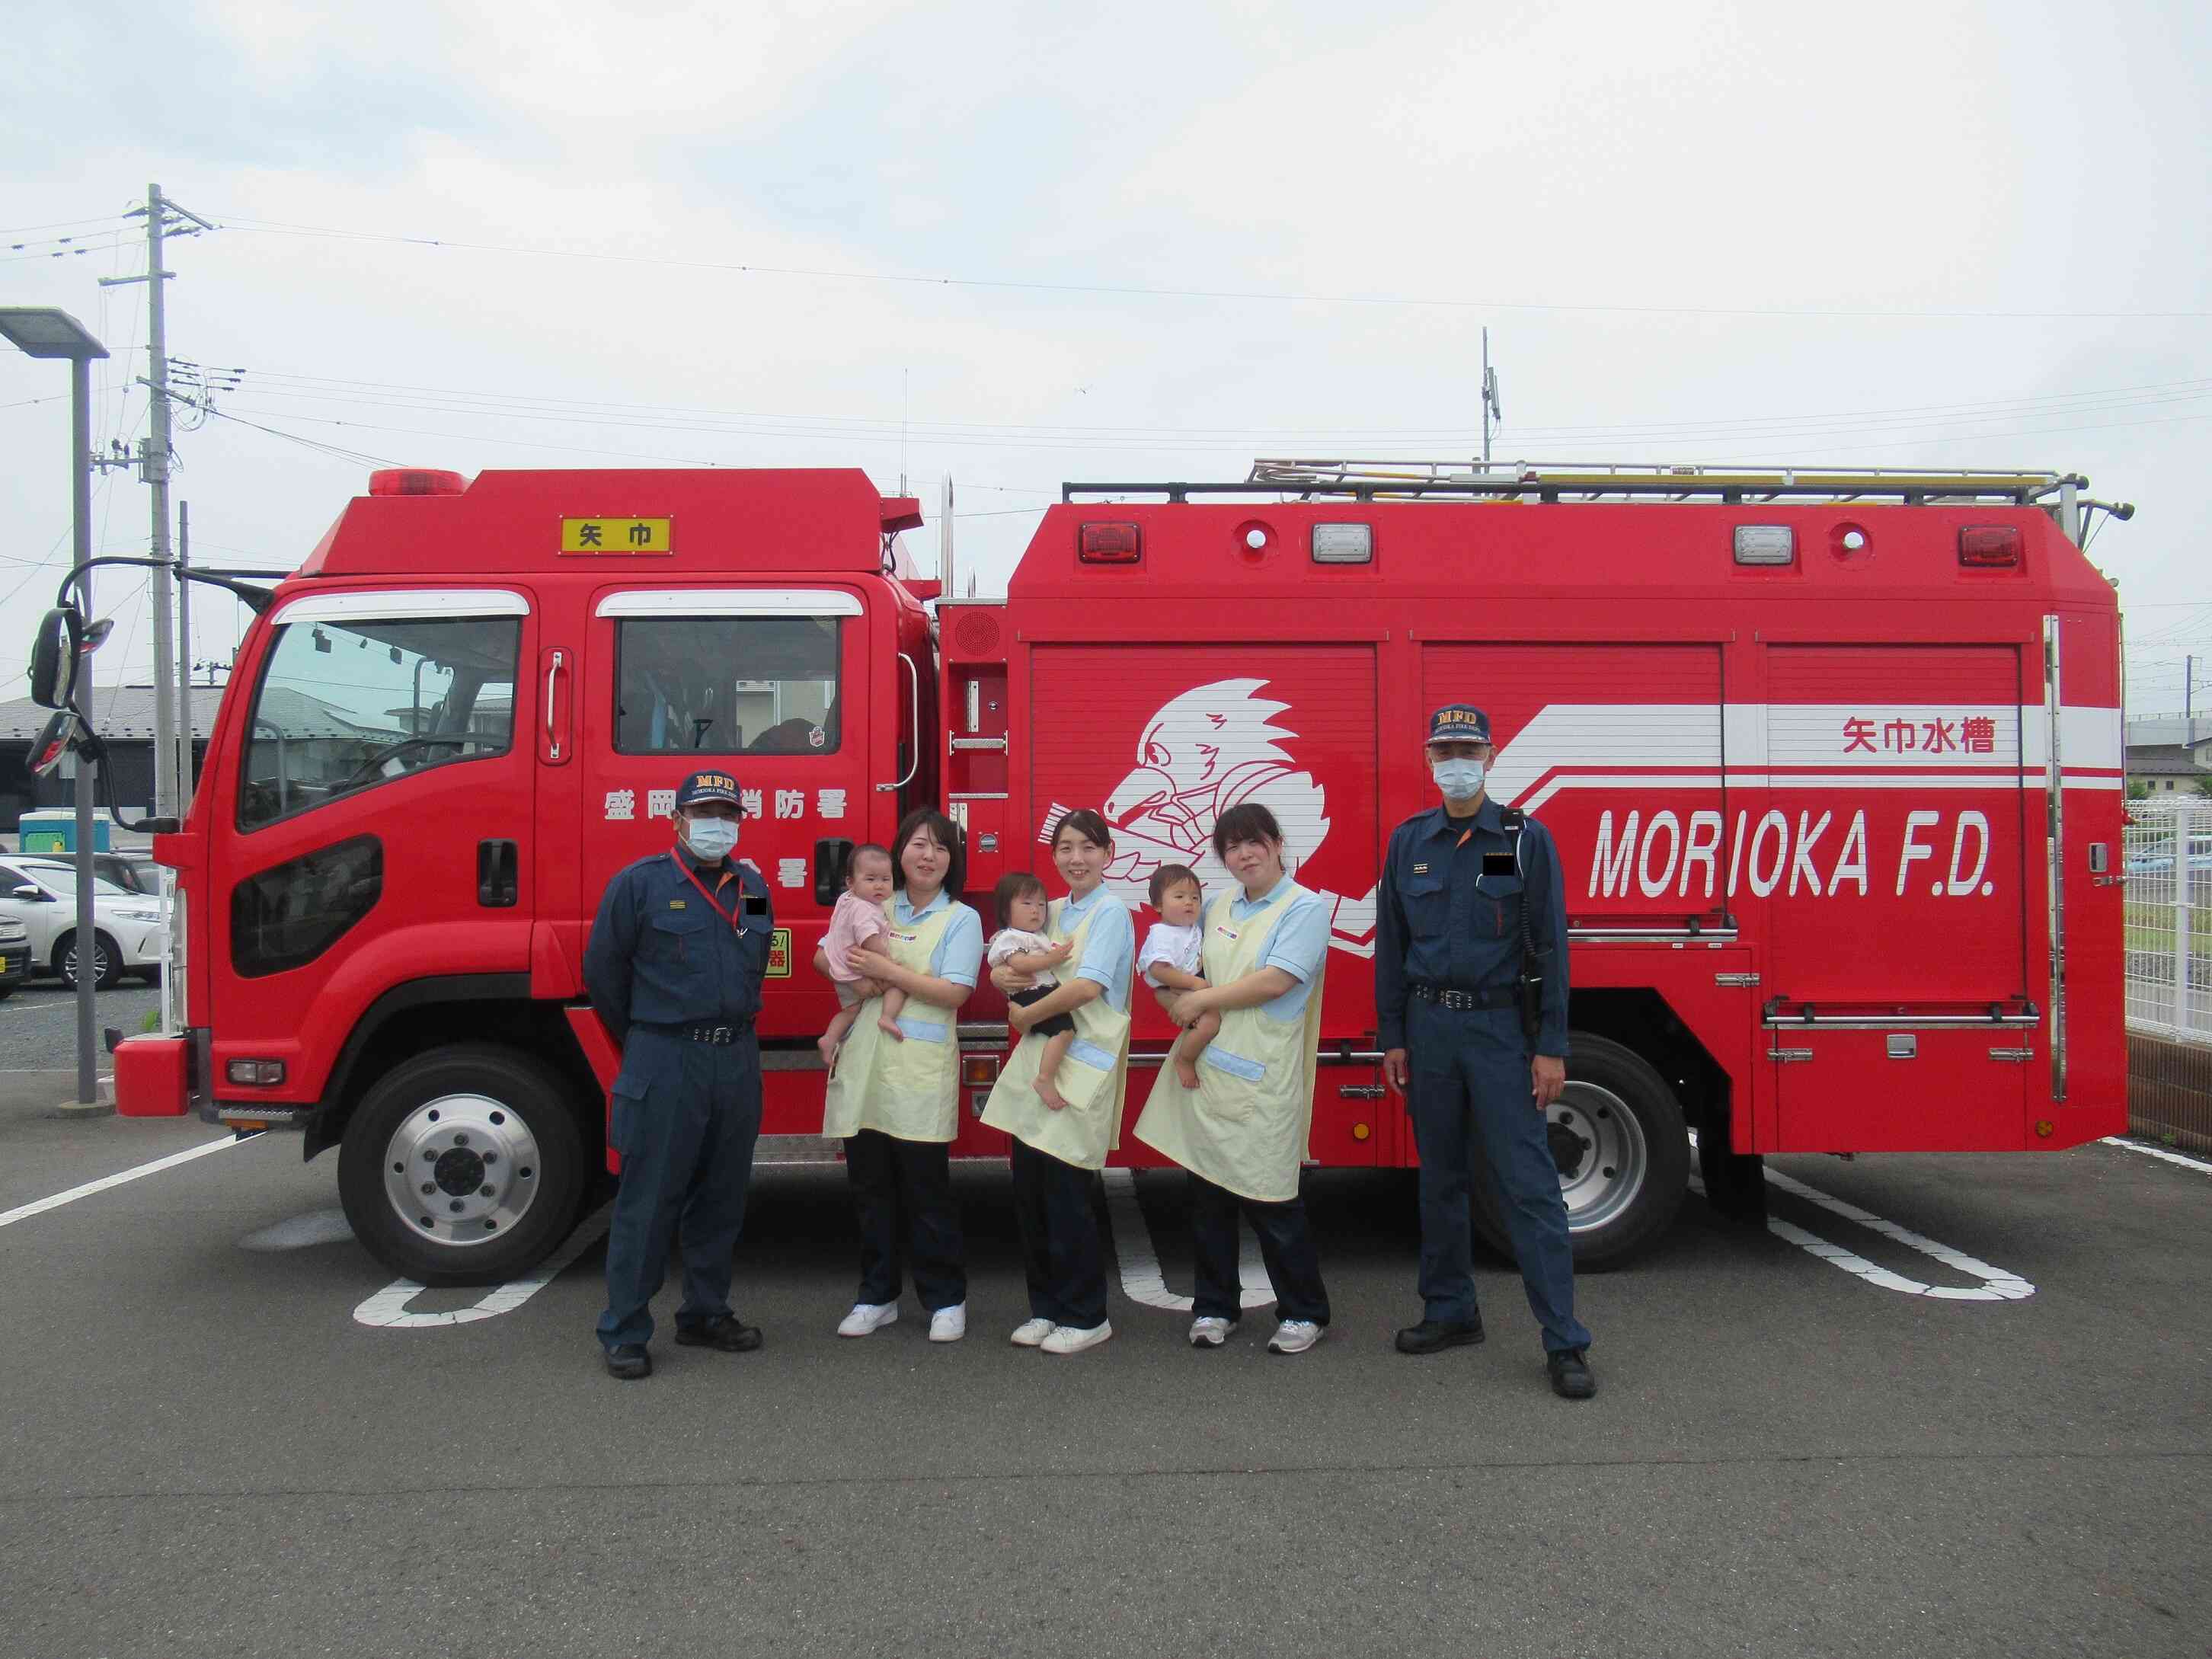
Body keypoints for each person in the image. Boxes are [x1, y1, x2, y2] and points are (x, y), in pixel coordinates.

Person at [1376, 704, 1595, 1400]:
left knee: (1528, 1188)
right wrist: (1394, 1036)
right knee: (1440, 1179)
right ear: (1429, 760)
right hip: (1431, 1029)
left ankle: (1564, 1341)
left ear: (1492, 757)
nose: (1456, 762)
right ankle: (1450, 1311)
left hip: (1503, 1034)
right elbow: (1393, 947)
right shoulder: (1409, 841)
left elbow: (1551, 947)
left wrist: (1552, 1047)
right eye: (1444, 750)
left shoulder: (1525, 840)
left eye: (1468, 748)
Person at [583, 769, 772, 1381]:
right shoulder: (638, 885)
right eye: (704, 812)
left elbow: (758, 955)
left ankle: (705, 1314)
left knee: (722, 1196)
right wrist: (653, 1036)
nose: (717, 823)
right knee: (650, 1197)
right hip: (667, 1056)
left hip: (736, 1058)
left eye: (727, 813)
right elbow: (605, 977)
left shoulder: (754, 885)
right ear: (678, 820)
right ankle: (626, 1329)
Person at [1132, 804, 1332, 1356]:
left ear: (1276, 842)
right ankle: (1215, 1307)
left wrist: (1199, 999)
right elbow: (1170, 958)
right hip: (1209, 1074)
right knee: (1208, 1202)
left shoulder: (1304, 908)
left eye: (1253, 842)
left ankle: (1304, 1312)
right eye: (1232, 847)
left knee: (1273, 1201)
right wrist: (1171, 995)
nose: (1244, 854)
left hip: (1263, 1075)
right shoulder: (1216, 904)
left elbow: (1276, 980)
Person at [816, 809, 983, 1342]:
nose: (928, 855)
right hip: (865, 1063)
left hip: (917, 1070)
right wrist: (857, 979)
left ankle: (945, 1299)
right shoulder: (870, 903)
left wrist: (884, 970)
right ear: (898, 854)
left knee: (926, 1191)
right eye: (917, 845)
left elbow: (955, 992)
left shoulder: (961, 919)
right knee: (871, 1189)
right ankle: (877, 1296)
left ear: (952, 860)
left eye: (940, 846)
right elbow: (824, 957)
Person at [980, 809, 1136, 1356]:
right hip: (1040, 1064)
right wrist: (1000, 976)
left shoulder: (1111, 912)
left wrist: (1024, 1014)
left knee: (1069, 1197)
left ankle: (1087, 1313)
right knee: (1032, 1194)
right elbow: (1011, 961)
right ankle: (1045, 1307)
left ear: (1108, 854)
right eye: (1066, 848)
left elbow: (1090, 987)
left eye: (1089, 848)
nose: (1077, 859)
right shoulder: (1053, 912)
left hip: (1082, 1063)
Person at [985, 872, 1079, 1111]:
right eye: (1026, 904)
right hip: (1031, 995)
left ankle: (1045, 1076)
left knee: (1063, 1032)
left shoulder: (1035, 935)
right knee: (1065, 1031)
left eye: (1040, 904)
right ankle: (1045, 1078)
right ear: (1006, 912)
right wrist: (1052, 959)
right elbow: (1021, 964)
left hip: (1042, 990)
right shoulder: (1010, 937)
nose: (1036, 910)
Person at [816, 843, 906, 1065]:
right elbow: (869, 939)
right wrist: (889, 962)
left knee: (851, 1010)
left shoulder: (848, 900)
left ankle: (829, 1039)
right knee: (900, 982)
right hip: (855, 971)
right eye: (871, 879)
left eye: (886, 880)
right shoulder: (864, 908)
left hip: (842, 969)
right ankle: (887, 1017)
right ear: (850, 882)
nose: (879, 886)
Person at [1137, 863, 1216, 1089]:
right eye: (1179, 896)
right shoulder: (1163, 933)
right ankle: (1184, 1060)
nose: (1189, 902)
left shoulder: (1190, 928)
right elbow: (1159, 970)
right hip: (1173, 986)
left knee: (1207, 1021)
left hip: (1183, 986)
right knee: (1209, 1024)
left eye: (1195, 897)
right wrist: (1194, 983)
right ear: (1158, 905)